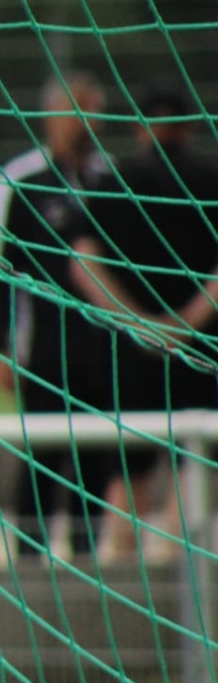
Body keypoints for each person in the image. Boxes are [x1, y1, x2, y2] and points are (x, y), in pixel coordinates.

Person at [69, 82, 218, 559]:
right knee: (192, 463)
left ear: (139, 128)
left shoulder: (115, 181)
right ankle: (183, 576)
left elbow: (82, 263)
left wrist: (137, 322)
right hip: (200, 347)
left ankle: (124, 575)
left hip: (132, 350)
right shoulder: (211, 178)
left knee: (127, 471)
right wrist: (185, 324)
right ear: (190, 127)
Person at [0, 73, 110, 561]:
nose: (84, 123)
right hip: (44, 351)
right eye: (74, 112)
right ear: (51, 117)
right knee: (43, 457)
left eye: (91, 112)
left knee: (95, 459)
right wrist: (1, 347)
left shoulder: (109, 180)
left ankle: (88, 560)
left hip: (104, 350)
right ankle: (31, 562)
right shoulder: (20, 181)